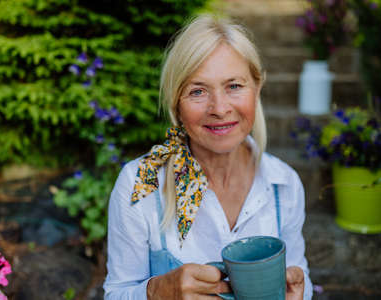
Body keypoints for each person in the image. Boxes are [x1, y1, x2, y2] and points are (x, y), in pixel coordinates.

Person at [103, 14, 313, 300]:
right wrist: (157, 292)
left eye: (234, 86)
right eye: (198, 91)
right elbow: (116, 293)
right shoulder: (140, 183)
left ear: (257, 87)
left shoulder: (283, 184)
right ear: (176, 104)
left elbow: (299, 277)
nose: (219, 108)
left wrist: (299, 292)